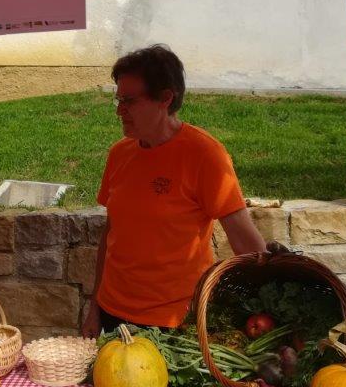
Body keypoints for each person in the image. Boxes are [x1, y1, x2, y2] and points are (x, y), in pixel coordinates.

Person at [81, 45, 266, 336]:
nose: (119, 111)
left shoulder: (205, 155)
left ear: (165, 98)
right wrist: (94, 306)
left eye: (129, 101)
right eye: (118, 100)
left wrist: (269, 303)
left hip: (175, 322)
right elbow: (112, 234)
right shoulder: (119, 154)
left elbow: (244, 239)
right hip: (112, 313)